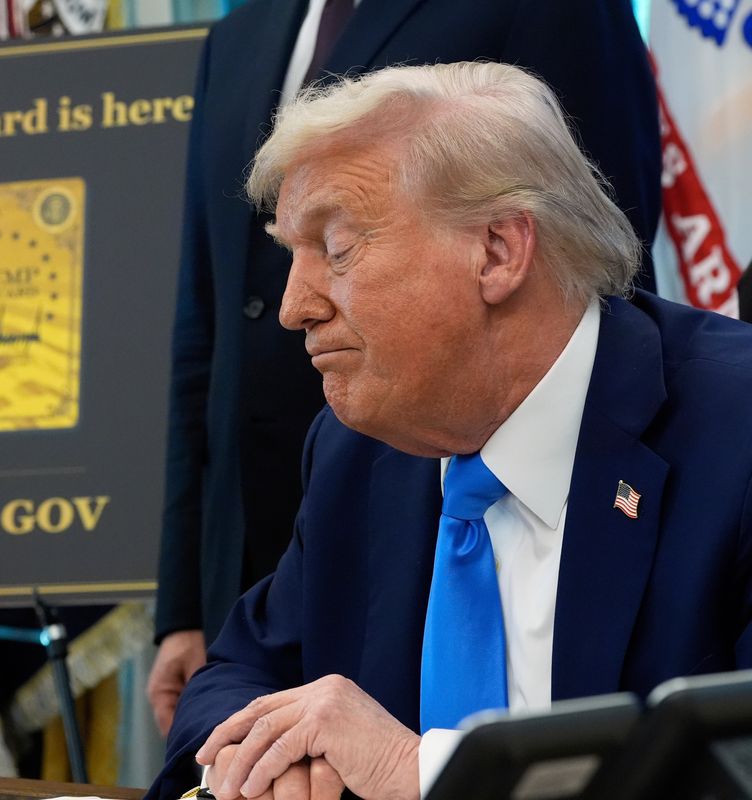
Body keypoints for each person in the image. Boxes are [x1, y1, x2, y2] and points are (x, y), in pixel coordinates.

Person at [147, 61, 752, 800]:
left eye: (336, 250)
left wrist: (422, 773)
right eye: (291, 257)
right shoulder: (356, 451)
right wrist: (274, 760)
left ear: (498, 250)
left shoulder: (734, 431)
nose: (293, 307)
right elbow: (240, 673)